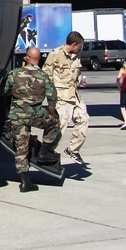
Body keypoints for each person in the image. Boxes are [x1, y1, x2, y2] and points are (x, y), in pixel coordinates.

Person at [2, 46, 61, 193]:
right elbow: (52, 98)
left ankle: (25, 181)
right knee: (54, 123)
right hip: (36, 115)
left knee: (21, 149)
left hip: (18, 117)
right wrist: (52, 114)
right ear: (38, 59)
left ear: (26, 58)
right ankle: (45, 151)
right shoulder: (43, 75)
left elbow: (4, 91)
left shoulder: (15, 74)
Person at [42, 31, 88, 164]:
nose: (80, 49)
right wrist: (50, 98)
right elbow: (46, 76)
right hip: (61, 97)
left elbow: (76, 73)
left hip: (74, 95)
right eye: (79, 46)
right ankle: (48, 150)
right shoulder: (55, 54)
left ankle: (73, 150)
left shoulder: (76, 55)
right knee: (60, 125)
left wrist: (80, 79)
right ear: (74, 44)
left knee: (84, 119)